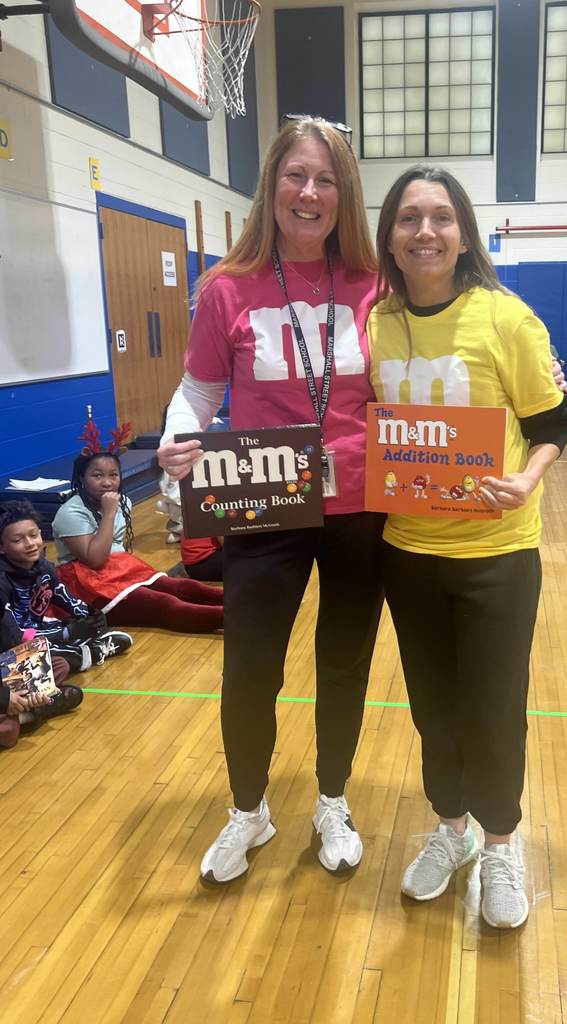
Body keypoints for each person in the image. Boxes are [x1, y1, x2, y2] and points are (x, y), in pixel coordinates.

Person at [156, 117, 387, 884]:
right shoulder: (227, 287)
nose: (311, 192)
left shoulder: (373, 283)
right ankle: (248, 812)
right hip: (262, 500)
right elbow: (198, 389)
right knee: (250, 665)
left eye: (327, 179)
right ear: (272, 186)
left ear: (344, 193)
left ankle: (332, 799)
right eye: (297, 176)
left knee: (344, 661)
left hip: (359, 503)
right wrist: (177, 437)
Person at [367, 166, 567, 929]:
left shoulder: (506, 319)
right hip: (409, 551)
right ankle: (450, 832)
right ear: (389, 234)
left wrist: (526, 479)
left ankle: (501, 843)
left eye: (441, 218)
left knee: (493, 708)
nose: (425, 232)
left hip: (498, 555)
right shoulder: (375, 320)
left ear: (463, 234)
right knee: (434, 710)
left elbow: (554, 422)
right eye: (409, 218)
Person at [52, 448, 224, 633]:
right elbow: (95, 560)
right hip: (86, 583)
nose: (107, 482)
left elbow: (116, 547)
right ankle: (244, 617)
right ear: (81, 479)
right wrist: (109, 513)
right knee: (166, 604)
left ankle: (250, 600)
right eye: (97, 476)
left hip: (117, 567)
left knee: (181, 586)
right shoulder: (70, 513)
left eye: (114, 475)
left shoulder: (123, 501)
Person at [0, 499, 132, 675]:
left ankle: (77, 654)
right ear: (2, 548)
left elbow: (66, 598)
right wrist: (66, 634)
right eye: (18, 540)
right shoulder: (2, 581)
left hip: (36, 631)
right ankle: (91, 652)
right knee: (27, 658)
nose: (30, 544)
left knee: (76, 629)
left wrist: (91, 615)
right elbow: (14, 639)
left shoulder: (44, 567)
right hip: (10, 644)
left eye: (33, 535)